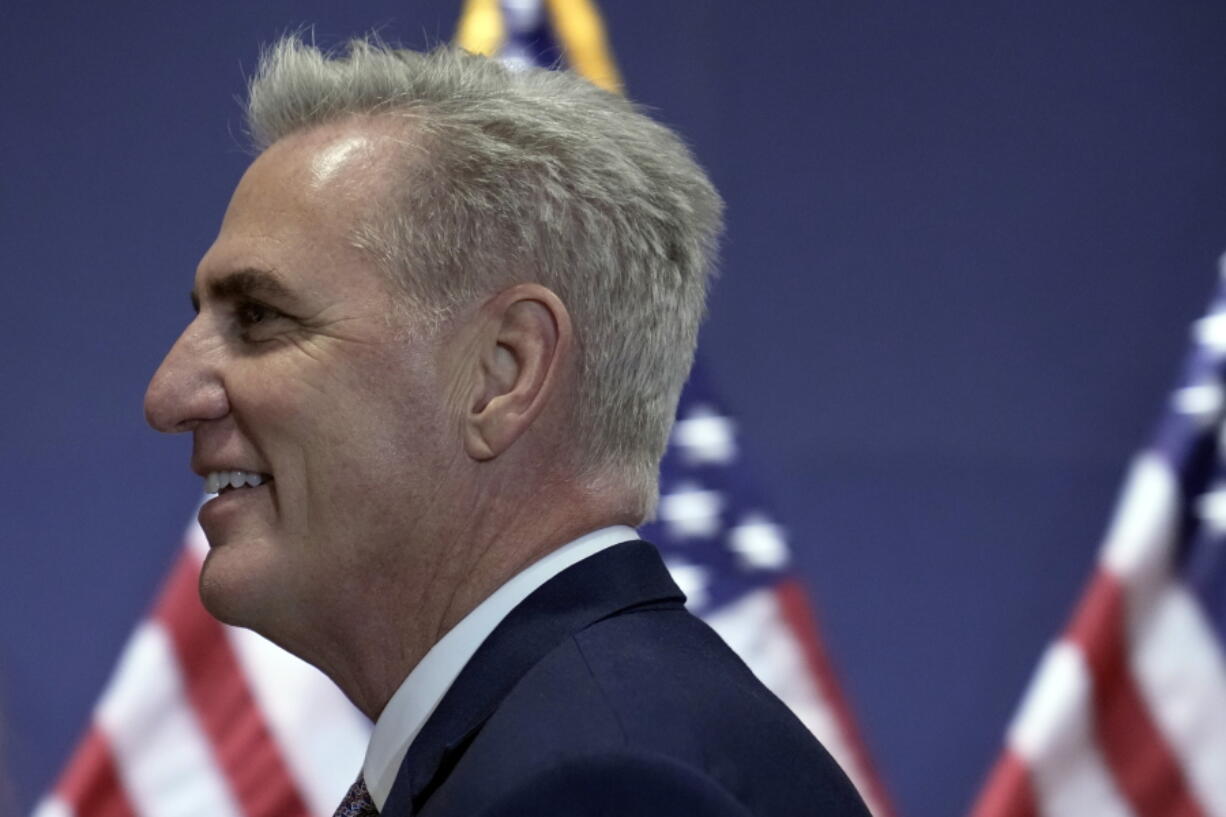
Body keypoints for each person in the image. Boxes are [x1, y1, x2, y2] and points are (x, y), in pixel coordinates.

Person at [144, 35, 869, 817]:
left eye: (259, 317)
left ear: (502, 372)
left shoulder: (606, 789)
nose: (168, 395)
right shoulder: (574, 734)